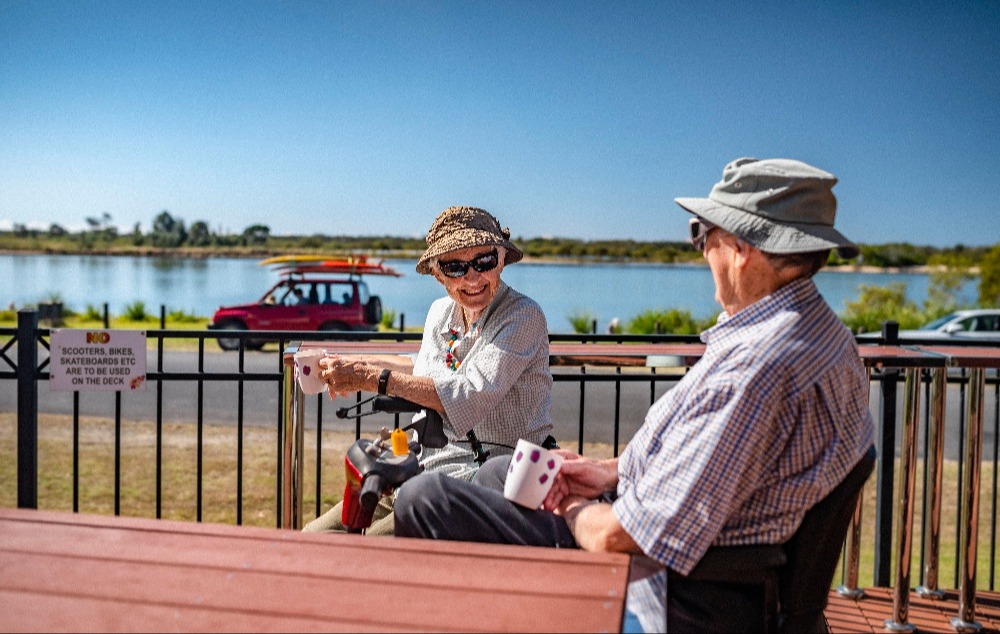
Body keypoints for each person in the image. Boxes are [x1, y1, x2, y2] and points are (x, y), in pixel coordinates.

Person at [393, 158, 876, 632]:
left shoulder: (757, 370)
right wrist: (604, 470)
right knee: (505, 470)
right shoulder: (822, 338)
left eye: (700, 235)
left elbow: (620, 536)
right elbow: (709, 458)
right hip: (703, 552)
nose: (702, 251)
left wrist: (570, 504)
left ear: (739, 248)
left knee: (424, 498)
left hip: (675, 587)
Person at [303, 206, 554, 535]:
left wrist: (368, 377)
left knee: (374, 547)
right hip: (427, 466)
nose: (472, 277)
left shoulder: (522, 316)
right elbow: (422, 369)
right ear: (438, 274)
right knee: (316, 536)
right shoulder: (441, 313)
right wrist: (349, 365)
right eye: (455, 267)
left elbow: (468, 395)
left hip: (495, 477)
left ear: (502, 258)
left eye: (484, 261)